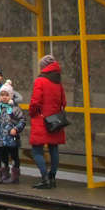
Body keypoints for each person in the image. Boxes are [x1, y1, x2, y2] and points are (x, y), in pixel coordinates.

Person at [28, 54, 67, 189]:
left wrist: (32, 113)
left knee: (37, 150)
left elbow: (35, 101)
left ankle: (44, 178)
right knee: (53, 148)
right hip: (55, 120)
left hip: (42, 119)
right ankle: (52, 177)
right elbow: (64, 102)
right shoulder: (58, 81)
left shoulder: (40, 81)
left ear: (43, 67)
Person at [0, 80, 27, 184]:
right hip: (0, 138)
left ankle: (15, 176)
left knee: (14, 156)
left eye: (6, 95)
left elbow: (22, 120)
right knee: (2, 156)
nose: (4, 97)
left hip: (12, 138)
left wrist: (16, 129)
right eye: (2, 95)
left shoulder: (15, 108)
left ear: (11, 96)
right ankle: (4, 174)